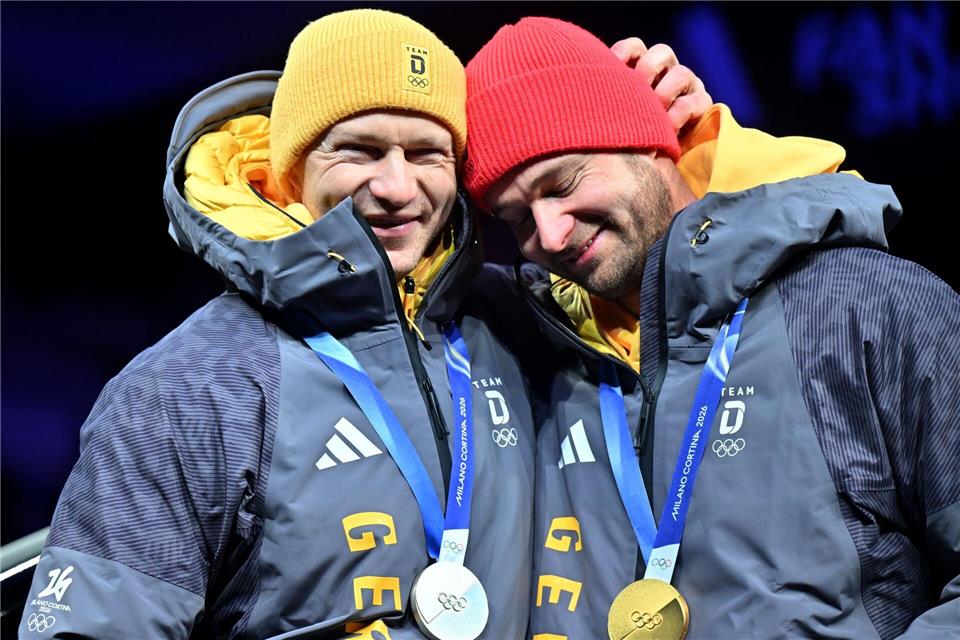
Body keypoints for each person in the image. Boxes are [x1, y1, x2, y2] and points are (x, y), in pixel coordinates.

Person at [18, 9, 711, 640]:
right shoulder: (188, 388)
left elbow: (690, 300)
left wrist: (696, 152)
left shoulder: (520, 322)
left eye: (426, 153)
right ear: (289, 167)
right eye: (358, 150)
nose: (396, 187)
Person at [464, 17, 960, 640]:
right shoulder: (530, 346)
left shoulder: (870, 304)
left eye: (562, 184)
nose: (550, 236)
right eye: (516, 219)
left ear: (645, 141)